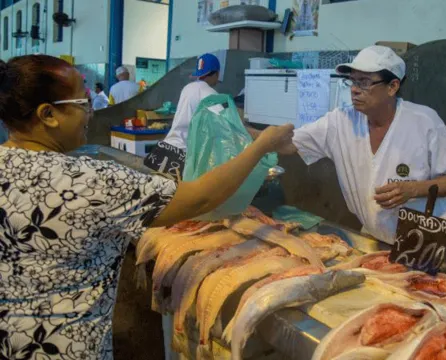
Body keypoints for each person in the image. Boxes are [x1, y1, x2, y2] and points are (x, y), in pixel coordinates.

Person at [0, 54, 293, 359]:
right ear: (48, 114)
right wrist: (263, 145)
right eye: (83, 105)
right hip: (65, 349)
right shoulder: (89, 181)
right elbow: (202, 198)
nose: (90, 114)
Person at [280, 45, 446, 244]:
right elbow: (289, 144)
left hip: (421, 243)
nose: (354, 90)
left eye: (364, 82)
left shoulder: (424, 122)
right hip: (373, 235)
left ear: (392, 87)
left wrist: (413, 189)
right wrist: (251, 136)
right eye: (352, 81)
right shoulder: (341, 121)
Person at [163, 53, 221, 149]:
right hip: (184, 151)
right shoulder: (211, 93)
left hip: (169, 145)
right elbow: (223, 124)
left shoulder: (187, 88)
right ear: (216, 74)